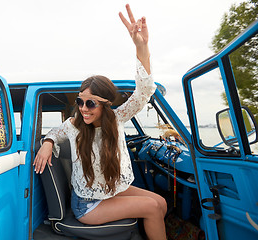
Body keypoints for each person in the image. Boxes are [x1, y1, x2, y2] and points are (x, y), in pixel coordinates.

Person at [33, 4, 167, 240]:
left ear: (105, 104)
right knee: (153, 207)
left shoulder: (117, 118)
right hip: (88, 204)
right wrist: (48, 142)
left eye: (91, 103)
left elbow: (144, 91)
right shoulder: (74, 125)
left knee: (161, 202)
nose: (83, 109)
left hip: (111, 192)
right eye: (80, 101)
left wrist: (141, 46)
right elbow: (55, 131)